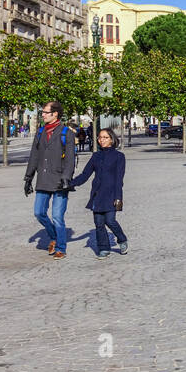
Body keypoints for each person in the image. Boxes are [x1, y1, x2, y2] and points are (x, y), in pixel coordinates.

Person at [24, 101, 77, 260]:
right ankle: (54, 236)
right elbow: (34, 156)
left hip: (60, 180)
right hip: (43, 179)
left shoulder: (66, 133)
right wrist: (28, 178)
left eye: (46, 112)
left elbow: (70, 159)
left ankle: (61, 247)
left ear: (55, 114)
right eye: (43, 112)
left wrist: (67, 177)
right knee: (39, 212)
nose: (43, 115)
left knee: (57, 217)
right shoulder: (40, 132)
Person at [72, 127, 127, 259]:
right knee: (99, 223)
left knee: (110, 220)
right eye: (100, 137)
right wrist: (70, 183)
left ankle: (122, 239)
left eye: (105, 137)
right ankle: (104, 248)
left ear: (112, 139)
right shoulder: (96, 156)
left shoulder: (119, 156)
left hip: (111, 194)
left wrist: (118, 198)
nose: (102, 140)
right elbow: (85, 174)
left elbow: (119, 179)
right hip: (97, 194)